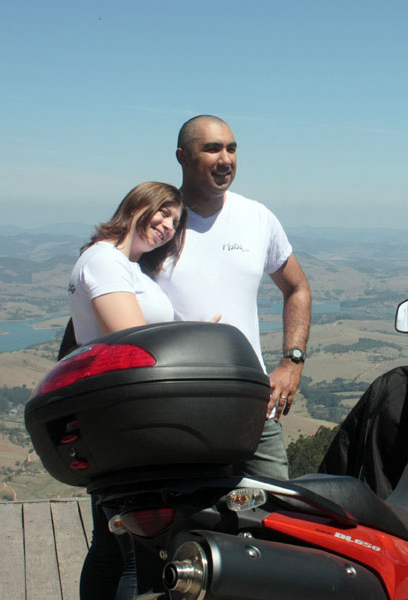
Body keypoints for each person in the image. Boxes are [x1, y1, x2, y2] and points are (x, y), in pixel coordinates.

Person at [156, 115, 311, 480]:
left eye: (232, 148)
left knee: (276, 522)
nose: (226, 159)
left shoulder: (257, 218)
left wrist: (293, 362)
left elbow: (298, 287)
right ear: (182, 157)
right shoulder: (157, 223)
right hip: (175, 410)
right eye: (212, 149)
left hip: (252, 409)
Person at [70, 181, 187, 600]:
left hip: (117, 416)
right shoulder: (104, 260)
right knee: (139, 555)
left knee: (111, 545)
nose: (168, 225)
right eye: (162, 212)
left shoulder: (127, 266)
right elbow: (132, 343)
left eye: (175, 221)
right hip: (125, 421)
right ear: (138, 206)